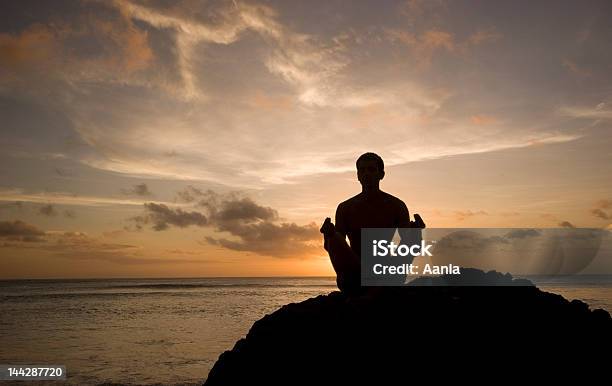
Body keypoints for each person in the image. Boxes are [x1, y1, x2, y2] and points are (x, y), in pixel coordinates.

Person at [320, 152, 425, 295]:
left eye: (371, 169)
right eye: (362, 170)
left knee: (413, 238)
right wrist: (329, 236)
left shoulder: (396, 206)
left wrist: (416, 233)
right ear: (357, 175)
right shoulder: (345, 208)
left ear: (381, 174)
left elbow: (409, 248)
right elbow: (334, 249)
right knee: (334, 238)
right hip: (355, 275)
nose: (366, 174)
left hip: (387, 273)